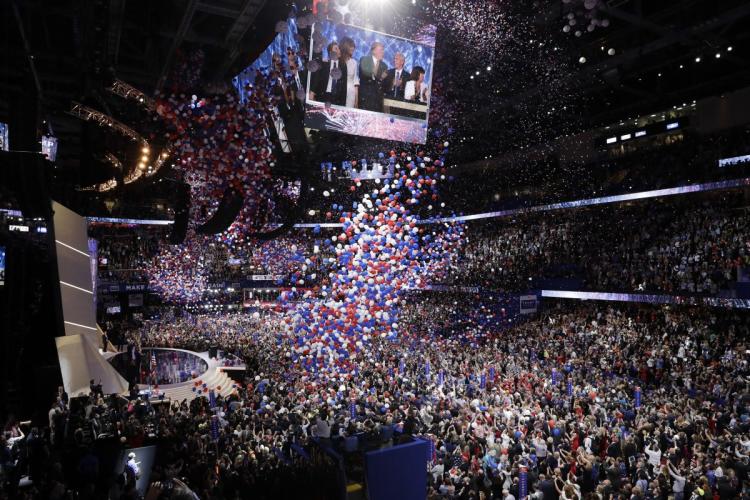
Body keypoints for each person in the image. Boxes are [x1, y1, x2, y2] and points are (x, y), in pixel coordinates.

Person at [358, 41, 388, 112]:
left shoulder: (384, 66)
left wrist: (382, 79)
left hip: (377, 101)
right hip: (365, 98)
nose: (383, 52)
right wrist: (377, 62)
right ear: (374, 51)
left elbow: (382, 84)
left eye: (383, 50)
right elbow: (364, 75)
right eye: (381, 50)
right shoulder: (364, 60)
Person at [338, 37, 359, 108]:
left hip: (350, 92)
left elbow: (355, 82)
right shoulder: (337, 61)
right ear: (345, 46)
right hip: (339, 90)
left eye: (353, 46)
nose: (353, 48)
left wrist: (356, 100)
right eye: (351, 46)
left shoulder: (354, 62)